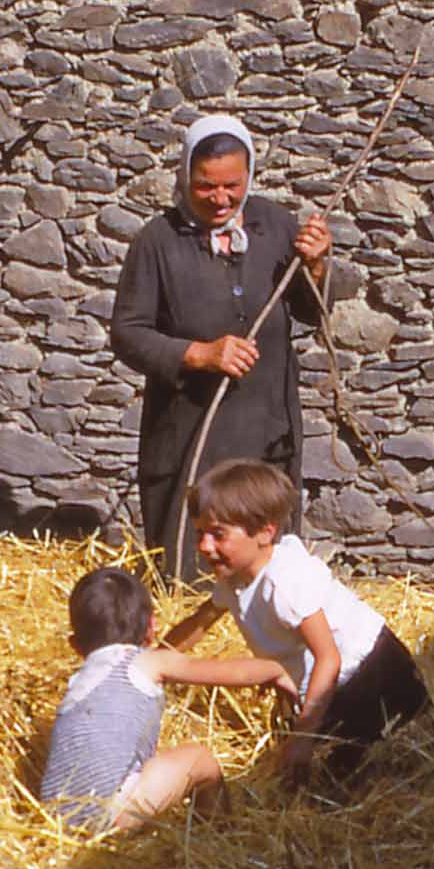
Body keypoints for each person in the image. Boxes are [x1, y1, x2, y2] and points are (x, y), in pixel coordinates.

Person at [111, 113, 333, 581]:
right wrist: (199, 354)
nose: (221, 198)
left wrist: (315, 266)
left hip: (265, 423)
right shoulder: (157, 242)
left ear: (250, 174)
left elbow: (311, 312)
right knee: (191, 562)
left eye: (232, 185)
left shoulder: (273, 225)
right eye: (205, 186)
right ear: (185, 176)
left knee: (265, 550)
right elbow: (128, 334)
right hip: (191, 431)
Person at [163, 459, 430, 785]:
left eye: (218, 535)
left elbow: (328, 658)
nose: (204, 546)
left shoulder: (285, 583)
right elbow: (201, 621)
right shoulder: (234, 578)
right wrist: (152, 656)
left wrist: (302, 738)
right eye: (200, 534)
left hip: (371, 677)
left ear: (265, 532)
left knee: (345, 782)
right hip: (330, 684)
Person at [39, 566, 298, 831]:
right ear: (152, 625)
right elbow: (233, 672)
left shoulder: (77, 683)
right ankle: (219, 836)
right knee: (199, 760)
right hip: (110, 814)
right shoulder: (146, 661)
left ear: (75, 645)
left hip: (55, 819)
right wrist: (277, 670)